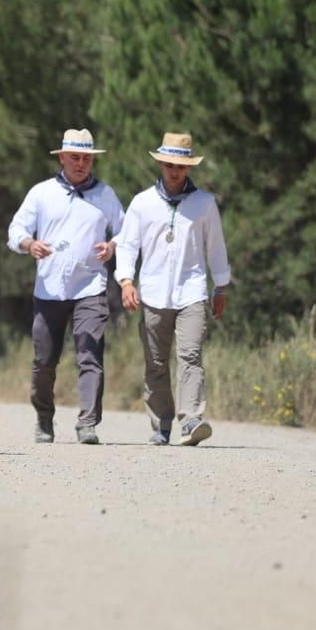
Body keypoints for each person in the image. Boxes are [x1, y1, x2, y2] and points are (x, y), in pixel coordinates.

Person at [6, 128, 126, 445]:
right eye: (74, 157)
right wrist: (29, 243)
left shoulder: (106, 195)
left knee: (90, 355)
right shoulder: (41, 193)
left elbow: (128, 232)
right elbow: (15, 229)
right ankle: (44, 418)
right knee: (44, 361)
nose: (81, 163)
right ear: (61, 157)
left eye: (86, 158)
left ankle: (87, 423)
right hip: (49, 290)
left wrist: (113, 246)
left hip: (91, 287)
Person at [114, 132, 232, 446]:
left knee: (190, 355)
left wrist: (221, 287)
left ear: (189, 167)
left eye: (180, 165)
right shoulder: (142, 202)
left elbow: (216, 247)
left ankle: (191, 418)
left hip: (191, 291)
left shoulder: (204, 204)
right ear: (161, 164)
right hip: (152, 293)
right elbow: (127, 246)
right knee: (155, 362)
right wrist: (126, 281)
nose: (174, 170)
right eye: (168, 164)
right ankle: (161, 424)